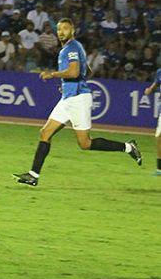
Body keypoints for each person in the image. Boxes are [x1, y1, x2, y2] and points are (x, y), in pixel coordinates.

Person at [13, 18, 141, 186]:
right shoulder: (70, 48)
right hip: (69, 98)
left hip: (78, 99)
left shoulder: (72, 48)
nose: (61, 32)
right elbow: (86, 71)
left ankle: (129, 147)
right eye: (59, 29)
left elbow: (74, 72)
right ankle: (33, 175)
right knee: (45, 133)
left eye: (65, 28)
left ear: (72, 30)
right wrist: (68, 86)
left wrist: (53, 75)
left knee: (85, 143)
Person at [143, 68, 161, 176]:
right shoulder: (159, 72)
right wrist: (149, 90)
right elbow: (155, 85)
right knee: (159, 138)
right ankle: (159, 169)